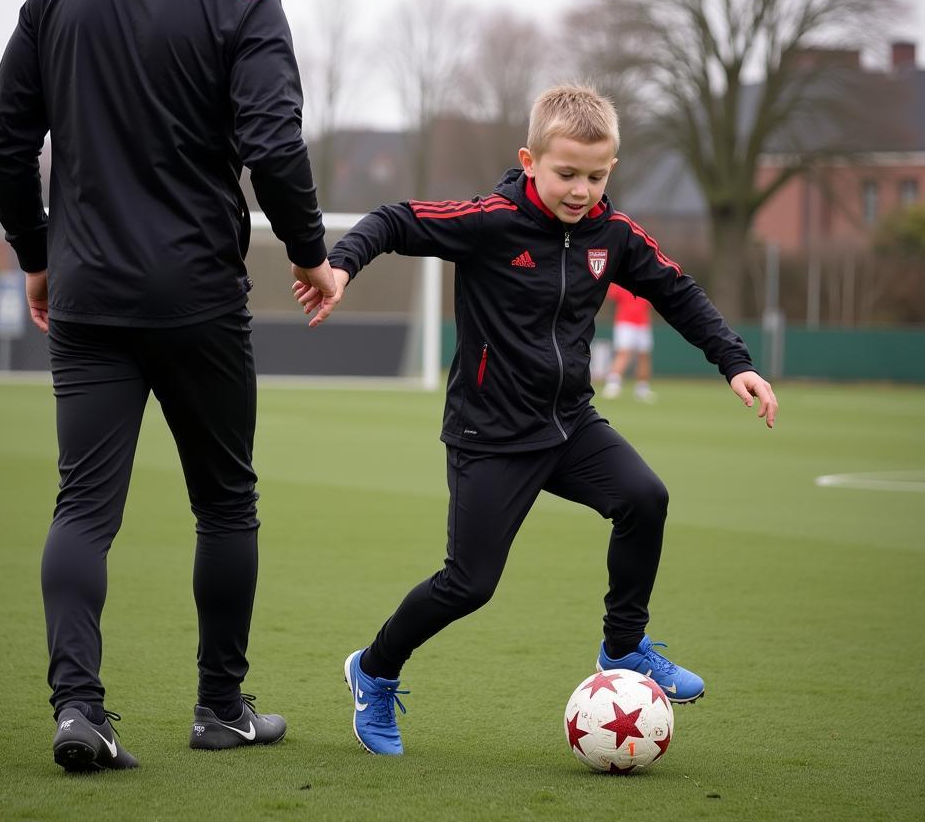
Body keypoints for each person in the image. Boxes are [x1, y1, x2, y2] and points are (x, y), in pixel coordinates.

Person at [0, 0, 337, 772]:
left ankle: (78, 712)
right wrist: (312, 254)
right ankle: (220, 708)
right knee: (225, 503)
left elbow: (2, 142)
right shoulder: (245, 2)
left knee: (83, 508)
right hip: (197, 303)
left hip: (89, 295)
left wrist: (39, 253)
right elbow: (274, 146)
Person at [294, 84, 777, 756]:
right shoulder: (492, 220)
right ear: (530, 160)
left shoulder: (613, 234)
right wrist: (340, 266)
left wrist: (735, 363)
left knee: (645, 498)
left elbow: (676, 289)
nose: (582, 190)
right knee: (469, 584)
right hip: (489, 435)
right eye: (567, 173)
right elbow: (396, 217)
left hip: (570, 424)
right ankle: (373, 669)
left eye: (597, 175)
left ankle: (624, 646)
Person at [602, 282, 657, 402]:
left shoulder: (648, 279)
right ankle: (613, 384)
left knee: (644, 356)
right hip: (625, 322)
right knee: (624, 353)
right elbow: (611, 294)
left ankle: (642, 389)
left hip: (643, 322)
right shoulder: (623, 279)